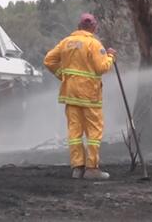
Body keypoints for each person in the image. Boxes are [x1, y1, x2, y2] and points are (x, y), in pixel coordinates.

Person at [44, 13, 116, 180]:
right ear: (93, 26)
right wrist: (111, 56)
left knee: (74, 131)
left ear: (79, 26)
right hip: (90, 95)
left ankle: (77, 168)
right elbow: (101, 68)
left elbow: (48, 60)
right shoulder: (93, 44)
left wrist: (62, 75)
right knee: (94, 132)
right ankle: (92, 169)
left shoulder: (66, 42)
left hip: (70, 94)